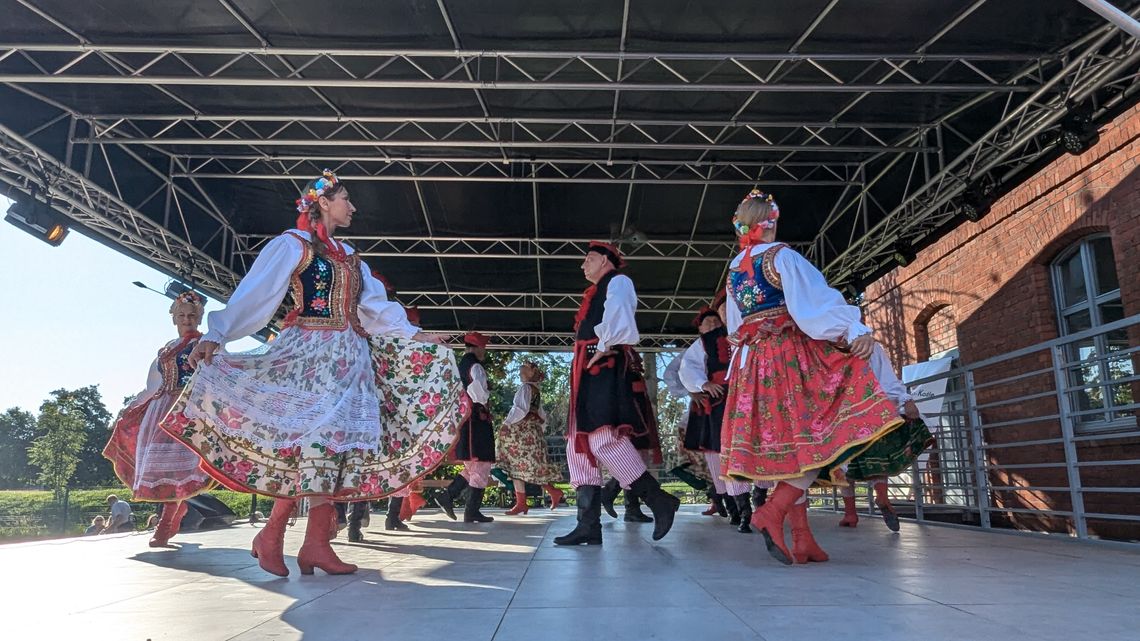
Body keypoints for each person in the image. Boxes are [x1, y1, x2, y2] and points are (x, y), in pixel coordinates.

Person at [160, 170, 468, 577]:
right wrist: (218, 333)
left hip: (351, 359)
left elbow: (375, 312)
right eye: (346, 199)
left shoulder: (353, 256)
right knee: (314, 442)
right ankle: (286, 538)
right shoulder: (295, 244)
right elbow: (258, 291)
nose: (353, 207)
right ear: (324, 202)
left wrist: (420, 335)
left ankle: (307, 543)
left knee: (332, 449)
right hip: (310, 355)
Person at [721, 189, 902, 565]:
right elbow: (813, 307)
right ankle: (773, 512)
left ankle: (802, 539)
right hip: (790, 357)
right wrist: (853, 330)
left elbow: (737, 328)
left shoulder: (736, 269)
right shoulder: (782, 257)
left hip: (755, 365)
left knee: (792, 449)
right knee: (823, 434)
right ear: (772, 221)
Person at [554, 242, 680, 546]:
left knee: (602, 437)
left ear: (607, 261)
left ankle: (658, 499)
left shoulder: (618, 281)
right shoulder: (598, 290)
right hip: (588, 366)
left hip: (604, 363)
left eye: (590, 259)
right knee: (577, 443)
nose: (584, 265)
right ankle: (588, 525)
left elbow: (620, 316)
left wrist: (602, 347)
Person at [103, 291, 214, 547]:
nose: (187, 320)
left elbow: (214, 378)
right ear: (174, 318)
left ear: (199, 318)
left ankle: (166, 522)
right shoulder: (165, 349)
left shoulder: (207, 343)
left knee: (182, 468)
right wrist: (131, 408)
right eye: (182, 315)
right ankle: (174, 512)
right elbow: (153, 386)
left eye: (192, 316)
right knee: (163, 468)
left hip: (189, 409)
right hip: (162, 409)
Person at [830, 344, 934, 531]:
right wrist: (905, 399)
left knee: (842, 463)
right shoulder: (869, 346)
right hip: (873, 410)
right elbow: (886, 377)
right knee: (877, 459)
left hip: (841, 413)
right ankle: (882, 498)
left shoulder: (824, 346)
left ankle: (850, 514)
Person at [679, 297, 755, 534]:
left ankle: (760, 500)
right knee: (722, 451)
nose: (716, 321)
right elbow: (686, 367)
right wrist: (702, 385)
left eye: (723, 312)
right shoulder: (704, 343)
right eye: (711, 318)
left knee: (755, 446)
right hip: (720, 402)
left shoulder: (749, 332)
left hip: (750, 398)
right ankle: (740, 509)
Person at [435, 332, 497, 524]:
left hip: (466, 418)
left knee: (472, 465)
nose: (484, 351)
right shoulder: (475, 366)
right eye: (483, 347)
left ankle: (448, 496)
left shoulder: (461, 365)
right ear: (477, 347)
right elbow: (479, 394)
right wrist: (487, 391)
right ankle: (471, 511)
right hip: (476, 421)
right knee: (481, 464)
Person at [497, 362, 566, 515]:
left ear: (530, 374)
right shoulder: (536, 390)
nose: (520, 374)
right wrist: (539, 429)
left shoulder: (526, 388)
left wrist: (507, 423)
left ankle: (530, 499)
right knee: (526, 466)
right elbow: (542, 415)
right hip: (532, 431)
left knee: (518, 464)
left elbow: (520, 408)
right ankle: (527, 500)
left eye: (523, 372)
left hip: (522, 432)